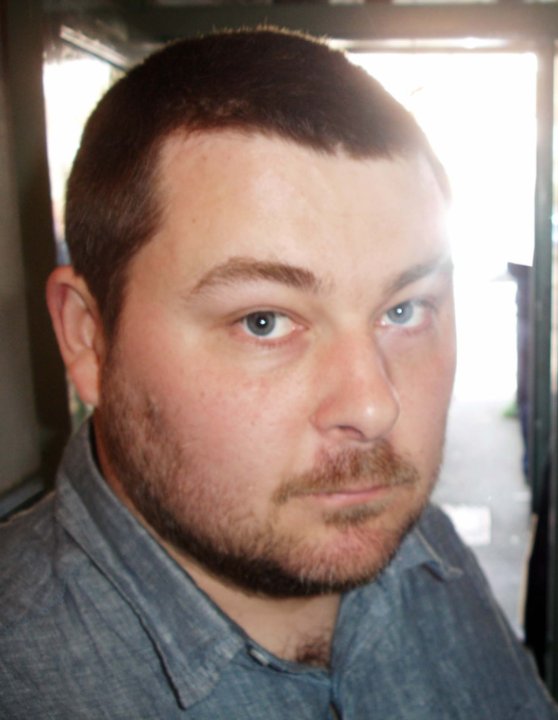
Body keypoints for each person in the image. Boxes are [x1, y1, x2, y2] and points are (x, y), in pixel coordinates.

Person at [0, 28, 555, 719]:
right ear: (89, 339)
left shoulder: (423, 548)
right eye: (263, 320)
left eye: (404, 309)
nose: (374, 408)